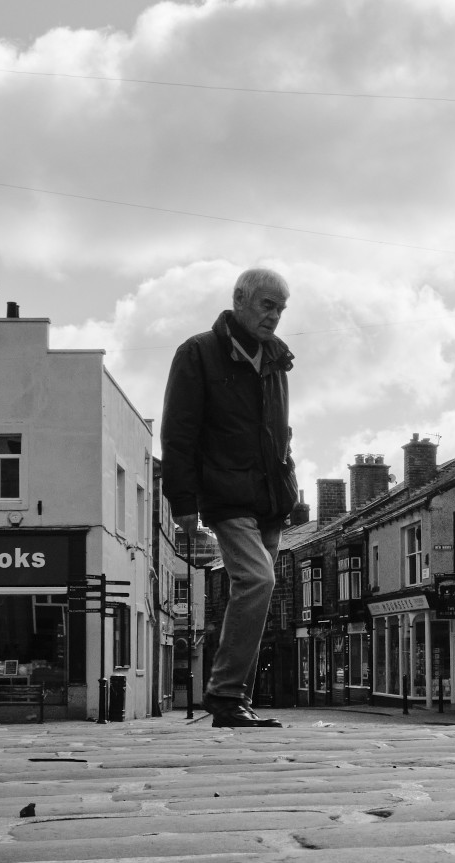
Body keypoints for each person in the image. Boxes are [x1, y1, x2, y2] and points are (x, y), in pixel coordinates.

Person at [161, 268, 300, 728]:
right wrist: (182, 501)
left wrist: (289, 479)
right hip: (225, 495)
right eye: (268, 305)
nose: (275, 316)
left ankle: (232, 698)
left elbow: (279, 430)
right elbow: (178, 432)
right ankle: (225, 695)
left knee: (255, 590)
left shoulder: (277, 359)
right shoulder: (198, 353)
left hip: (270, 498)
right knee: (258, 581)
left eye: (281, 308)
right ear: (240, 299)